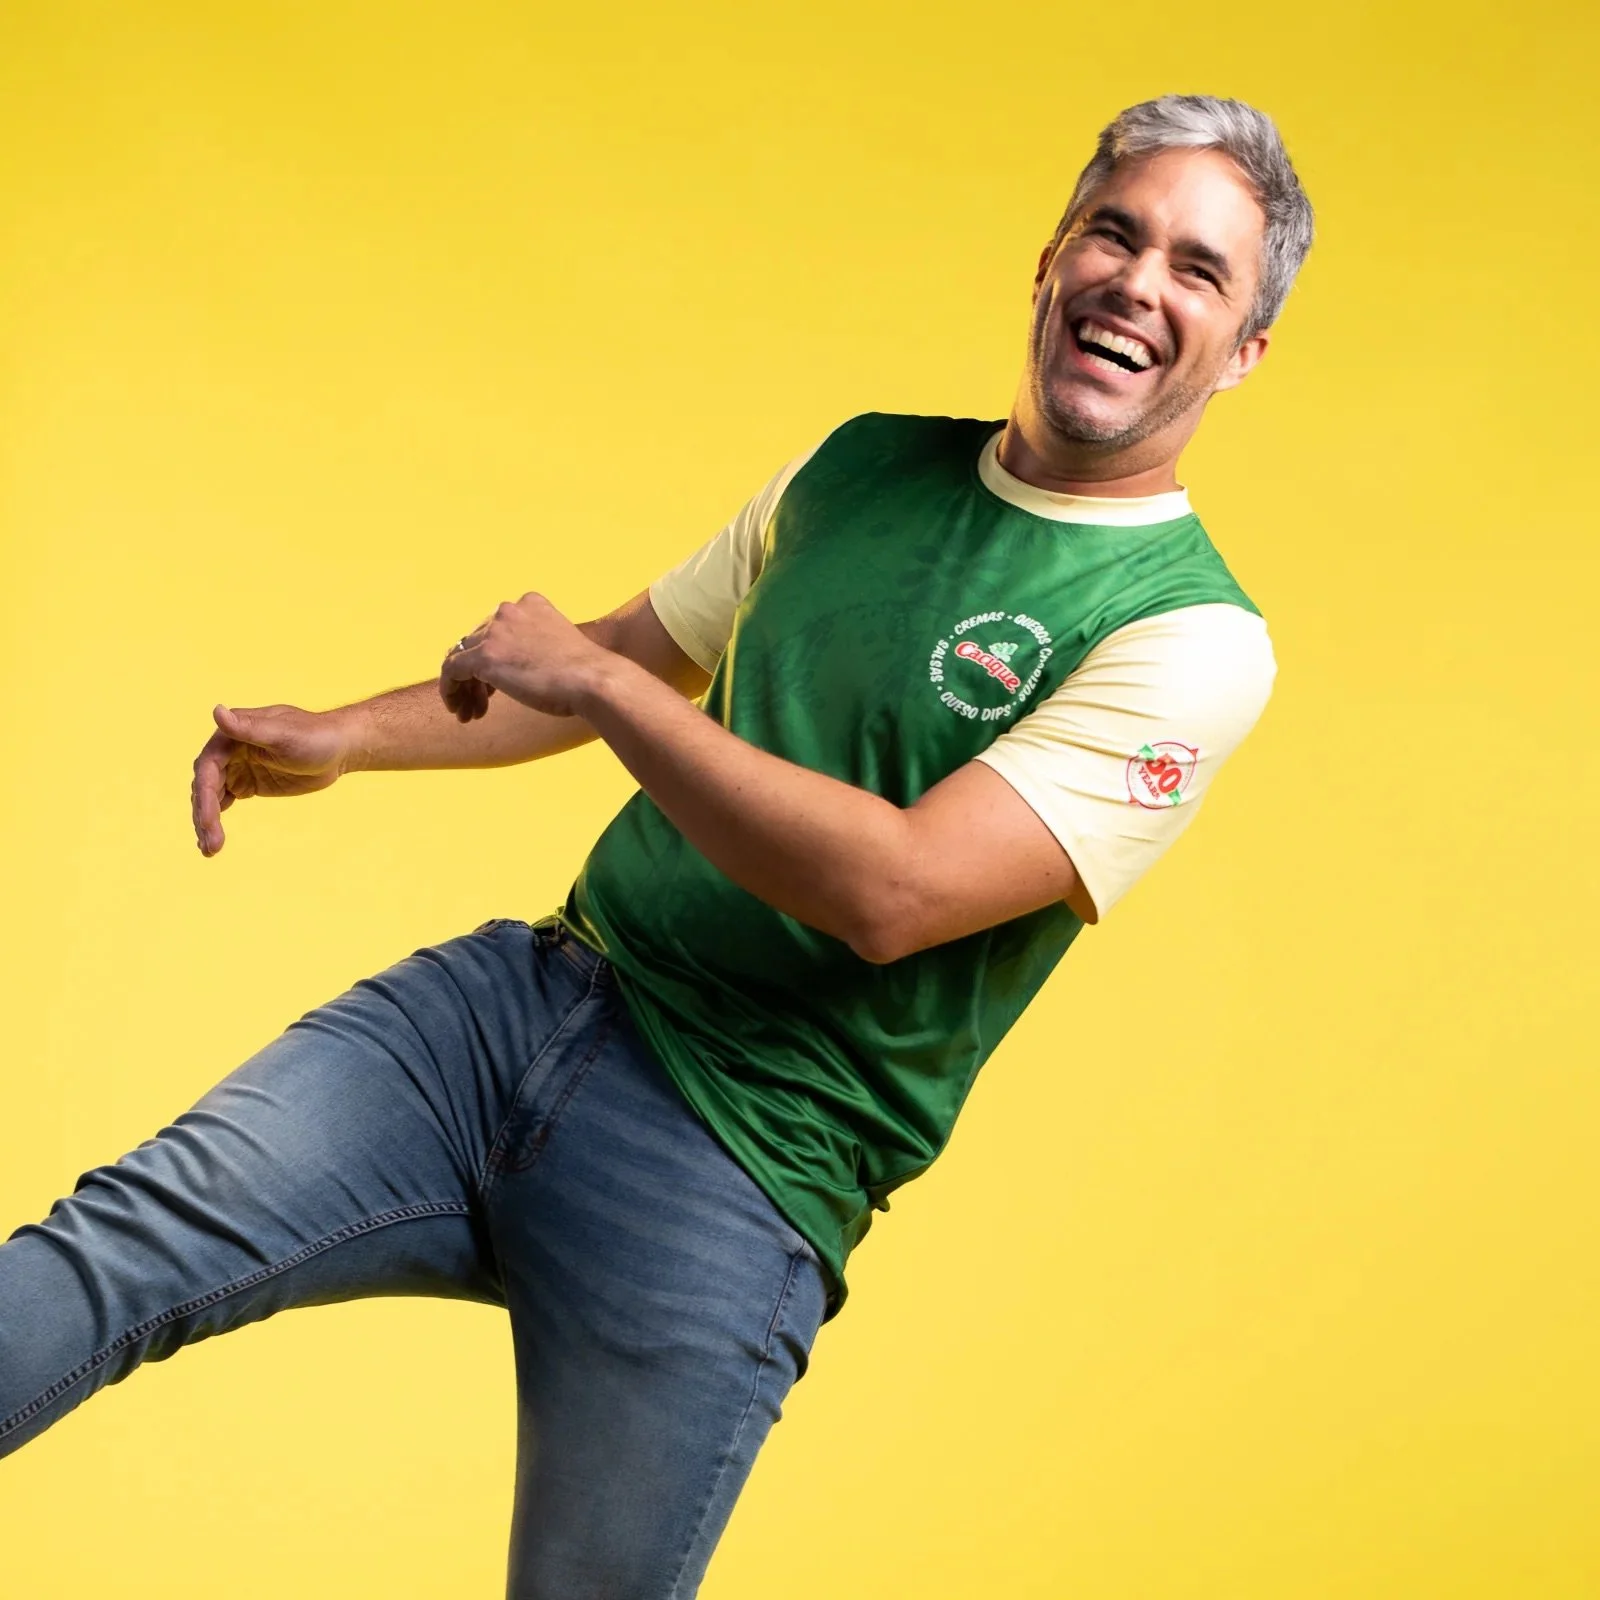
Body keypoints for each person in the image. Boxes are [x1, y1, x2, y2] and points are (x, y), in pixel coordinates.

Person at [0, 92, 1313, 1598]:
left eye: (1198, 270)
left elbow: (894, 889)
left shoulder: (1192, 640)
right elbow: (633, 652)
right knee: (107, 1253)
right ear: (1051, 257)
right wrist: (350, 734)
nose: (1138, 284)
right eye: (1114, 234)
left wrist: (605, 689)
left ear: (1245, 348)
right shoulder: (861, 464)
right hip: (517, 1010)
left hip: (741, 1167)